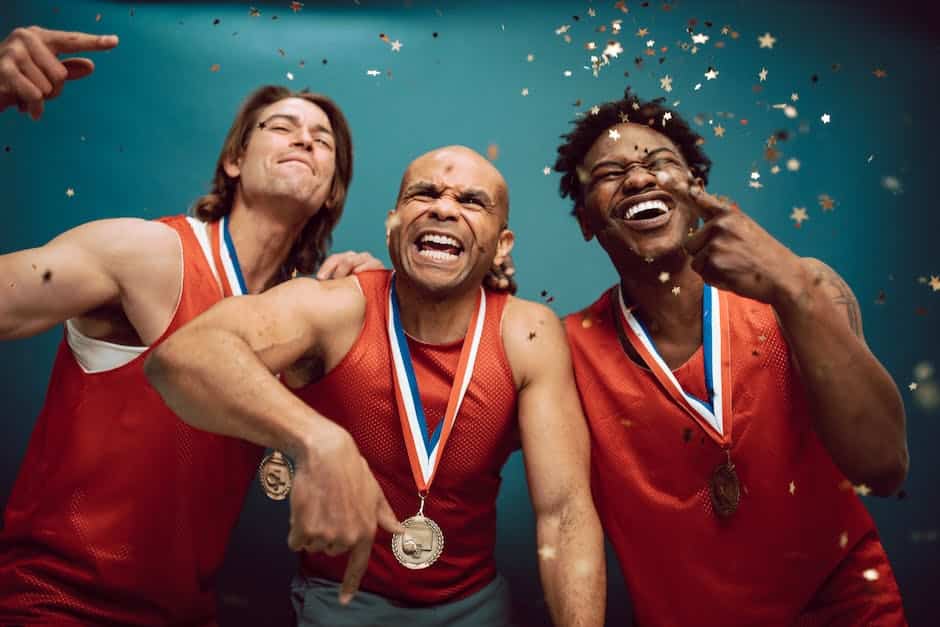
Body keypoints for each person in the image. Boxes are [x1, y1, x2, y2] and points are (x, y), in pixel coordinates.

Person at [0, 25, 386, 625]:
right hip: (55, 606)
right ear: (235, 160)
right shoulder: (143, 253)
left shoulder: (307, 319)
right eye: (281, 127)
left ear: (332, 191)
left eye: (322, 140)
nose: (304, 140)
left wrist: (386, 296)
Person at [146, 145, 606, 626]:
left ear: (502, 243)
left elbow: (564, 512)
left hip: (475, 606)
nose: (443, 208)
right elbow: (181, 358)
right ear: (393, 224)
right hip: (341, 602)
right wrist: (318, 440)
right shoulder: (334, 308)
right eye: (424, 193)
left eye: (471, 201)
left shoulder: (529, 334)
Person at [555, 87, 909, 625]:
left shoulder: (804, 288)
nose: (639, 179)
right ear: (586, 220)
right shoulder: (562, 350)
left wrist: (793, 287)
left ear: (696, 189)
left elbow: (884, 469)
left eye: (659, 163)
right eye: (609, 173)